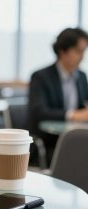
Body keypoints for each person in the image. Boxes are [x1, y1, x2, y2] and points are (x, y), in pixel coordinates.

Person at [28, 27, 88, 165]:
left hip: (76, 138)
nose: (82, 56)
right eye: (78, 51)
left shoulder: (81, 77)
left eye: (84, 51)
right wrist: (73, 115)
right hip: (48, 141)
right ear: (63, 51)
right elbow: (38, 112)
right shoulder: (40, 77)